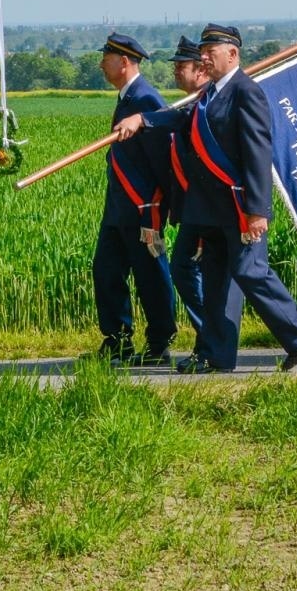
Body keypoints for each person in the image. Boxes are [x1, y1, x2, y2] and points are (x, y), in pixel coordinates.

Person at [116, 24, 297, 374]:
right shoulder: (208, 96)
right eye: (203, 51)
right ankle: (217, 356)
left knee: (249, 271)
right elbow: (179, 118)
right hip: (208, 211)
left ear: (232, 54)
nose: (203, 57)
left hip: (238, 209)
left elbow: (257, 154)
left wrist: (257, 210)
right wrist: (142, 119)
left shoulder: (244, 92)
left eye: (211, 51)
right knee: (218, 283)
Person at [91, 33, 177, 366]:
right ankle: (117, 340)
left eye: (107, 58)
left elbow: (161, 161)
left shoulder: (146, 100)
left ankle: (159, 342)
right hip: (118, 207)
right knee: (106, 270)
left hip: (143, 207)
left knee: (150, 274)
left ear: (124, 62)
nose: (101, 64)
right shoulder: (127, 98)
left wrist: (158, 207)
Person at [163, 35, 211, 363]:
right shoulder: (189, 107)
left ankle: (211, 339)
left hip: (206, 211)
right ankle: (211, 339)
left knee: (185, 269)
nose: (176, 72)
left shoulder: (203, 109)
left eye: (182, 66)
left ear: (201, 71)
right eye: (176, 66)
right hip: (193, 210)